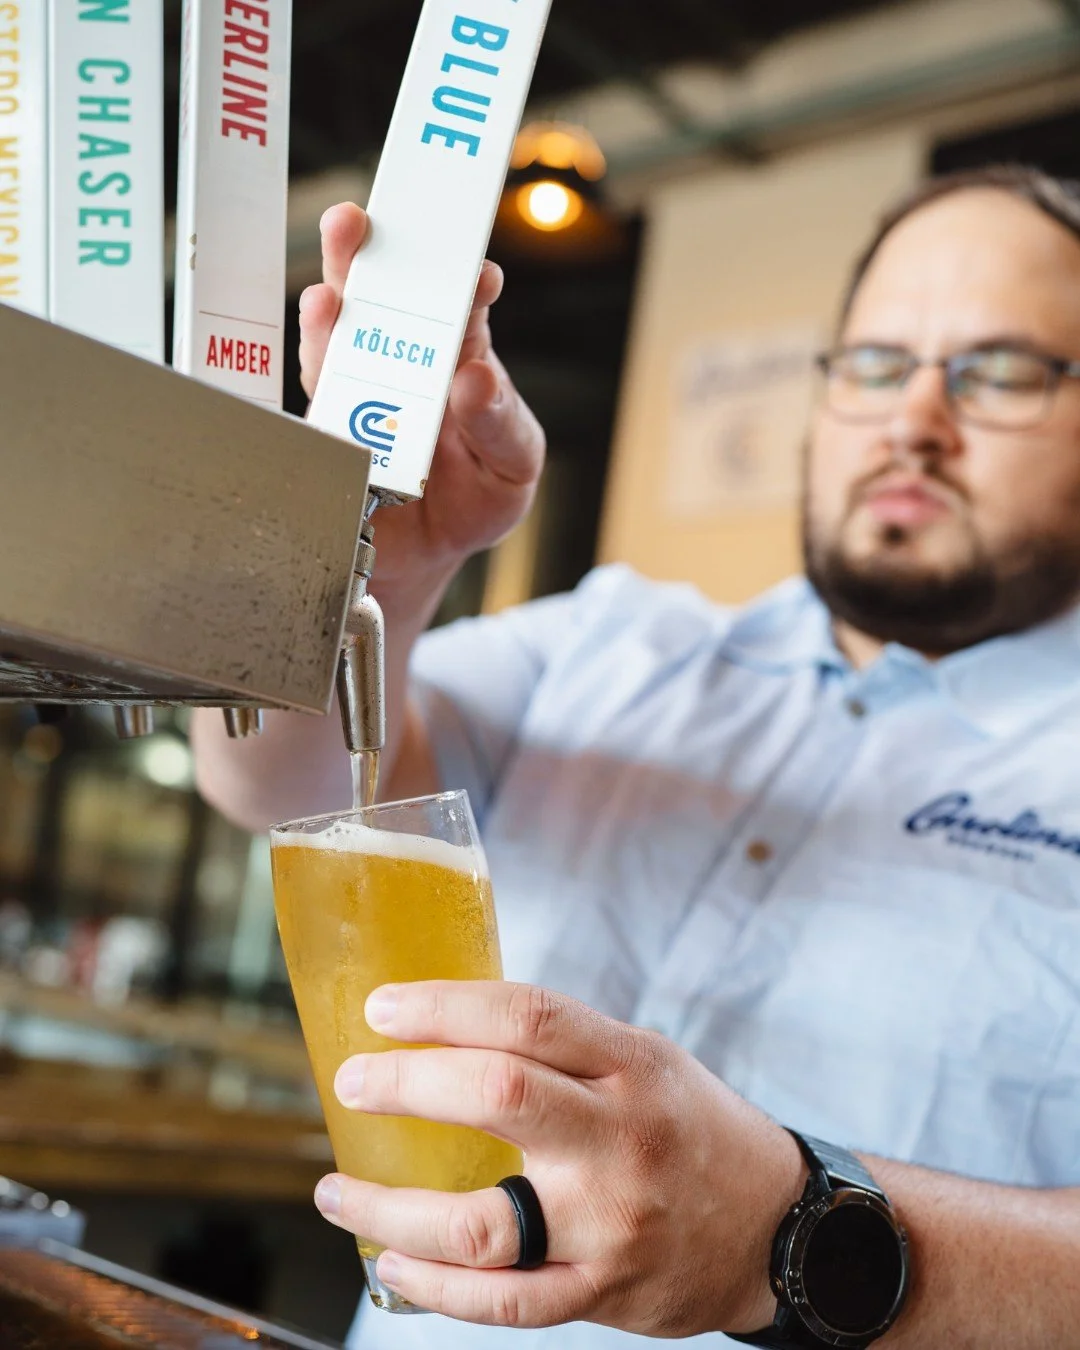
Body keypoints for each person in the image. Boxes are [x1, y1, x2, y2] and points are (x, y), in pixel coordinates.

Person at [193, 165, 1080, 1348]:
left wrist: (791, 1230)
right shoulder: (612, 644)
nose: (915, 419)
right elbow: (271, 781)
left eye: (1000, 370)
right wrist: (378, 573)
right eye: (876, 364)